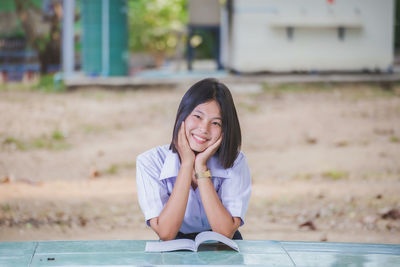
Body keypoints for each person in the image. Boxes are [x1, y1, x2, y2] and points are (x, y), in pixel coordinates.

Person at [136, 78, 251, 241]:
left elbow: (225, 233)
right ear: (182, 115)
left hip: (222, 248)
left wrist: (201, 168)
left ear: (225, 129)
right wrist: (187, 164)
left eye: (216, 123)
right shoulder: (150, 161)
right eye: (197, 116)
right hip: (175, 246)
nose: (204, 129)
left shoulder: (236, 161)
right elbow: (166, 233)